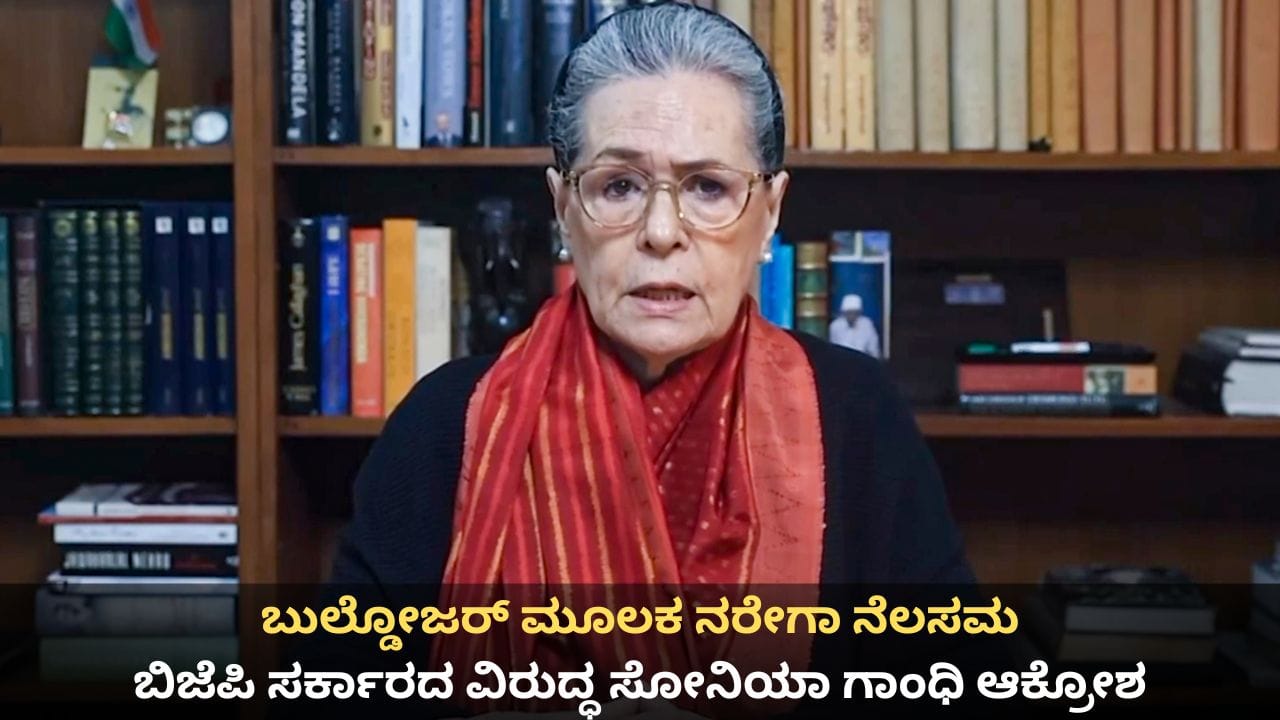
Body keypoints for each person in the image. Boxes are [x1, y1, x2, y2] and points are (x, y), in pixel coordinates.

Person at [303, 3, 989, 718]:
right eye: (619, 186)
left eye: (709, 187)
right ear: (563, 208)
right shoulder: (445, 423)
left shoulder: (856, 417)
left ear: (770, 213)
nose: (662, 232)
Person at [828, 293, 880, 357]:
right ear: (844, 313)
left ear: (859, 313)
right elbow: (834, 348)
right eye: (849, 313)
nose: (852, 316)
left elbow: (873, 348)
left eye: (855, 313)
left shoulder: (867, 324)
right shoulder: (835, 326)